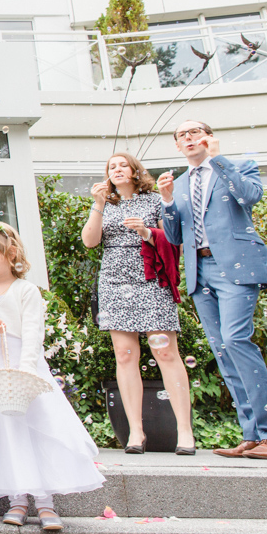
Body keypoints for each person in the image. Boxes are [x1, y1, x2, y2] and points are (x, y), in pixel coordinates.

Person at [0, 218, 104, 531]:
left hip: (21, 368)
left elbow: (33, 332)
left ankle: (45, 502)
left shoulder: (26, 291)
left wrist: (27, 370)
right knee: (3, 434)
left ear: (10, 252)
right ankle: (17, 499)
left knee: (32, 430)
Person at [157, 121, 267, 460]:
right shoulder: (181, 183)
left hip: (235, 266)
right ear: (177, 146)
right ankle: (252, 435)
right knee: (223, 350)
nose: (188, 138)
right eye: (181, 135)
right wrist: (168, 202)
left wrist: (219, 160)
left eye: (194, 132)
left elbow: (250, 196)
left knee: (235, 340)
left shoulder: (236, 165)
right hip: (200, 272)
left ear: (208, 137)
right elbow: (174, 238)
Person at [81, 152, 195, 454]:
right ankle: (135, 432)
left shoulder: (154, 200)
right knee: (125, 355)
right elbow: (90, 241)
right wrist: (99, 204)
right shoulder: (106, 204)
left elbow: (174, 241)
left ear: (134, 171)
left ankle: (184, 431)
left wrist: (147, 232)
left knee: (166, 352)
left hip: (152, 277)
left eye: (122, 165)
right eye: (111, 167)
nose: (116, 169)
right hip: (115, 281)